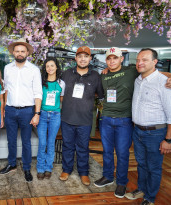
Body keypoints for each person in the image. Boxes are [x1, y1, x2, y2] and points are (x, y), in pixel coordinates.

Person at [125, 48, 171, 205]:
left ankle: (150, 197)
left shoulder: (163, 82)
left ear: (155, 62)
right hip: (138, 131)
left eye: (144, 60)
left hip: (155, 133)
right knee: (141, 164)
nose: (140, 63)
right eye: (138, 60)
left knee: (154, 167)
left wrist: (168, 140)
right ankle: (141, 189)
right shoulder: (138, 80)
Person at [93, 47, 138, 198]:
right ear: (106, 61)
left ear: (121, 58)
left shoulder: (131, 71)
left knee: (122, 153)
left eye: (115, 58)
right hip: (106, 119)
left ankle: (122, 182)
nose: (112, 61)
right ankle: (107, 176)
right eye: (109, 58)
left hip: (124, 120)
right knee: (107, 151)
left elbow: (151, 73)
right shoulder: (103, 76)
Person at [0, 38, 42, 182]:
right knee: (10, 140)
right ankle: (12, 164)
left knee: (26, 142)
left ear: (27, 53)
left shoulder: (34, 70)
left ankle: (27, 168)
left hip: (27, 111)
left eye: (22, 51)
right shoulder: (7, 68)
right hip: (10, 110)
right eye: (17, 51)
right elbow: (5, 90)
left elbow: (38, 93)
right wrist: (4, 108)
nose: (19, 53)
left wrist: (36, 113)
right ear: (13, 53)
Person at [60, 46, 104, 186]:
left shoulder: (96, 76)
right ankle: (66, 170)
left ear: (90, 58)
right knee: (67, 146)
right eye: (80, 56)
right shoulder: (66, 74)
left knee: (83, 147)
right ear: (75, 58)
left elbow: (100, 95)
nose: (83, 59)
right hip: (67, 118)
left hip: (85, 120)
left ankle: (83, 172)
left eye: (86, 56)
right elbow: (59, 93)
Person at [36, 57, 65, 180]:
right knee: (42, 143)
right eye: (47, 66)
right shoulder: (41, 82)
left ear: (57, 67)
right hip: (42, 115)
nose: (50, 68)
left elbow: (61, 99)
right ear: (45, 69)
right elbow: (38, 98)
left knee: (51, 142)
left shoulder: (61, 83)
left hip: (55, 115)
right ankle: (40, 168)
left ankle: (48, 168)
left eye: (52, 65)